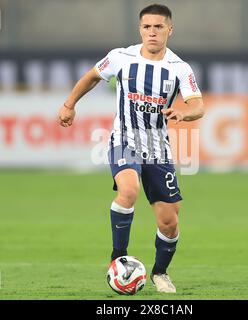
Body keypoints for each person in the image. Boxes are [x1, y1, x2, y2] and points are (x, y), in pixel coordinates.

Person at [58, 4, 204, 293]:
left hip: (159, 150)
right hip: (123, 139)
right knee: (128, 191)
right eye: (147, 26)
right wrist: (69, 104)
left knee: (169, 222)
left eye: (158, 27)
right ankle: (118, 258)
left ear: (169, 30)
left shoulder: (179, 68)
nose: (152, 32)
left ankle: (160, 273)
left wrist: (184, 113)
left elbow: (198, 104)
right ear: (140, 29)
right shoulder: (120, 57)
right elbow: (90, 77)